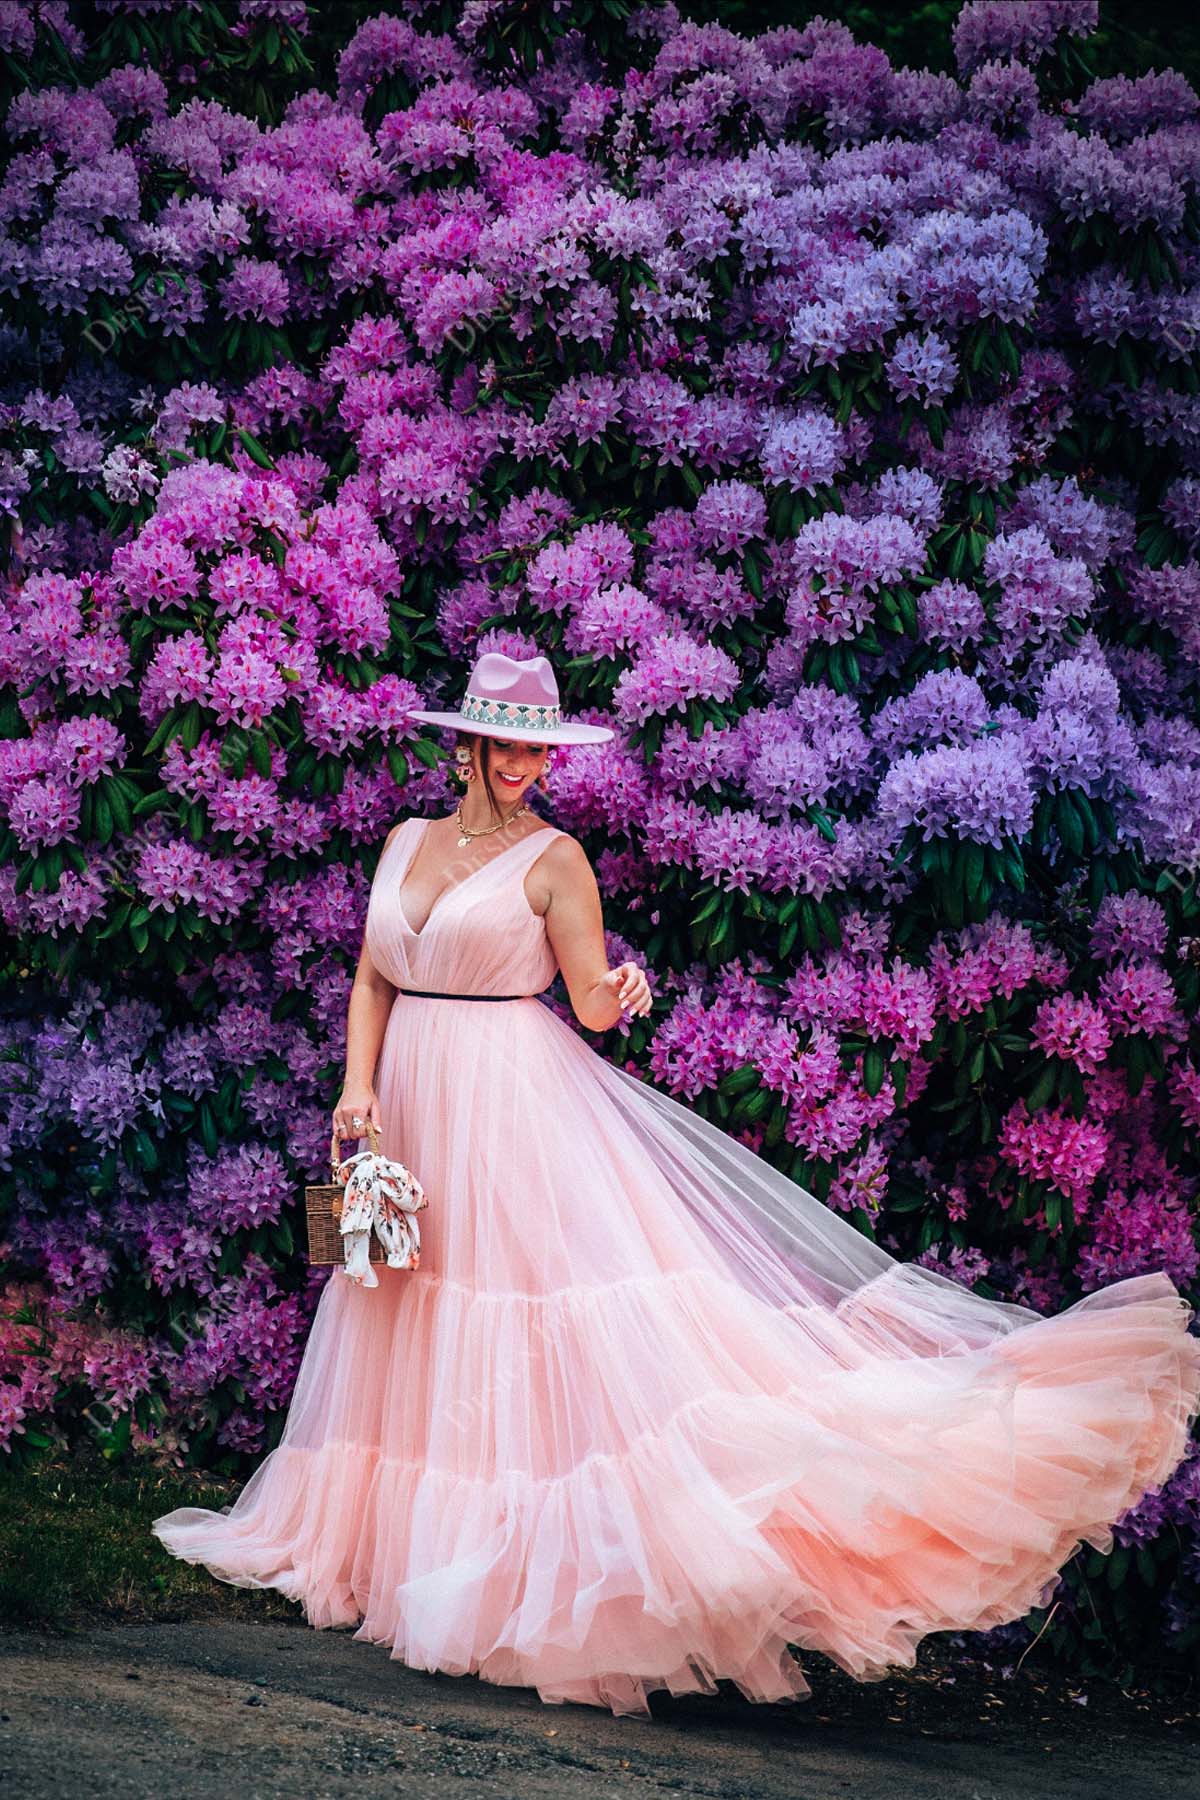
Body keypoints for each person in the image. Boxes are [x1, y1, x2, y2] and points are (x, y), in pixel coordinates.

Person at [153, 650, 1200, 1721]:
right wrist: (355, 1088)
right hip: (407, 1105)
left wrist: (622, 989)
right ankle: (391, 1555)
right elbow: (376, 974)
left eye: (538, 748)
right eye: (507, 744)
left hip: (509, 1104)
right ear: (466, 742)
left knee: (524, 1316)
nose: (523, 765)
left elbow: (591, 1005)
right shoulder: (405, 843)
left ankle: (515, 1572)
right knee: (406, 1301)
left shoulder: (557, 859)